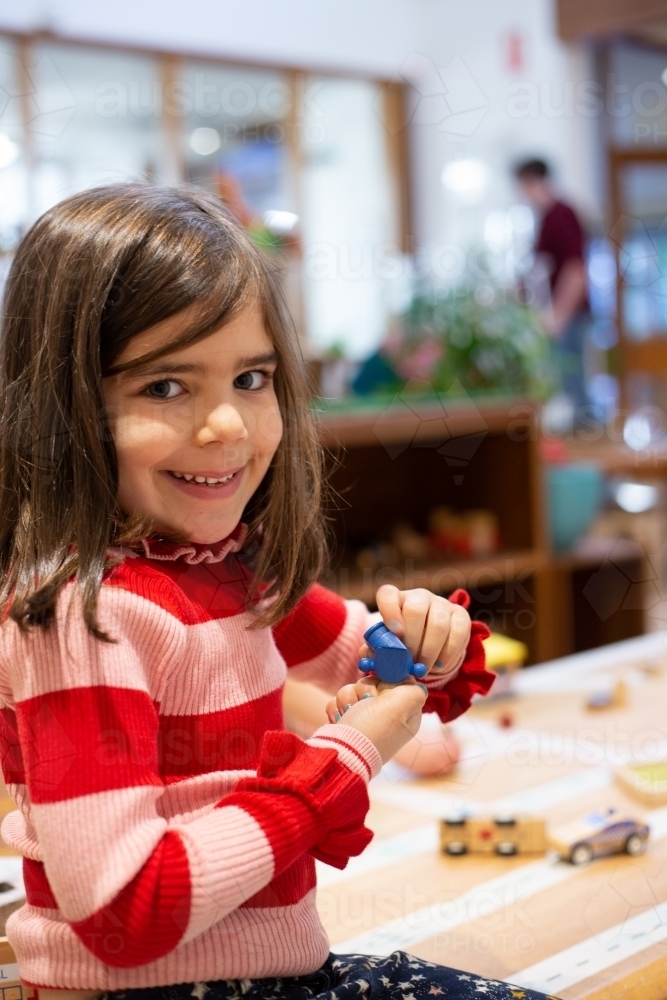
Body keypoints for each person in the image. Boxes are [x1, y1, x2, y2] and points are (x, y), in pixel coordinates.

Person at [0, 185, 557, 1000]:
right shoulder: (83, 618)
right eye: (165, 387)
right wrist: (345, 758)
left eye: (252, 377)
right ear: (59, 410)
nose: (227, 424)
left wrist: (428, 638)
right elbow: (126, 913)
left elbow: (365, 653)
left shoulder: (225, 563)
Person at [515, 158, 590, 421]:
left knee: (573, 387)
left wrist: (558, 316)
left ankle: (588, 450)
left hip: (568, 315)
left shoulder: (562, 215)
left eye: (523, 186)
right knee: (561, 385)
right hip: (552, 314)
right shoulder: (544, 220)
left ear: (534, 181)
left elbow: (575, 269)